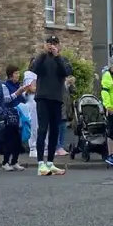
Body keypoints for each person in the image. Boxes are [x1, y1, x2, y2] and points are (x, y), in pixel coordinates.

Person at [27, 35, 70, 176]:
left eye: (55, 43)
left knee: (54, 131)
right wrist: (44, 53)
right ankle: (41, 163)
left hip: (57, 99)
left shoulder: (62, 60)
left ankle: (50, 163)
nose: (52, 46)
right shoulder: (41, 58)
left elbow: (65, 72)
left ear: (59, 45)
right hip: (43, 98)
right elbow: (34, 69)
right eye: (49, 43)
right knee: (42, 129)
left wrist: (57, 56)